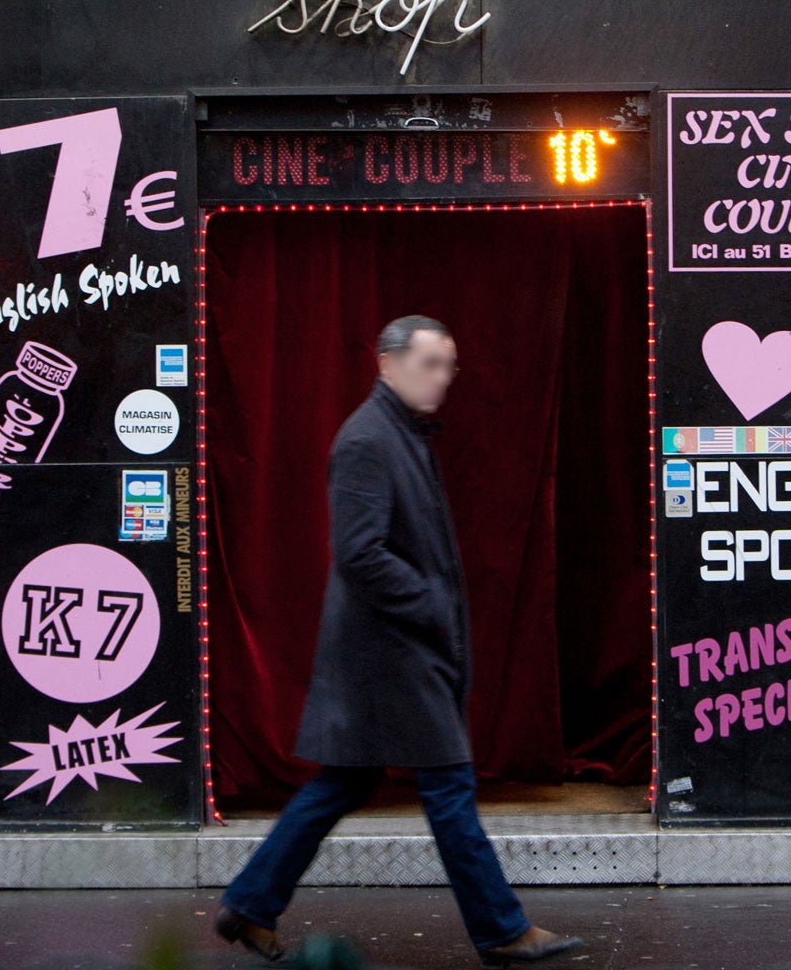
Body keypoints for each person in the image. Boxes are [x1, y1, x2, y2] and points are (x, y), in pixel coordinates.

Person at [217, 315, 584, 966]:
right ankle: (502, 929)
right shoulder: (367, 439)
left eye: (450, 365)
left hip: (387, 654)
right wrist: (432, 603)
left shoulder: (399, 433)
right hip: (393, 656)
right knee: (448, 790)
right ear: (388, 363)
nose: (443, 377)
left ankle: (250, 904)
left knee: (344, 784)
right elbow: (359, 554)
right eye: (432, 362)